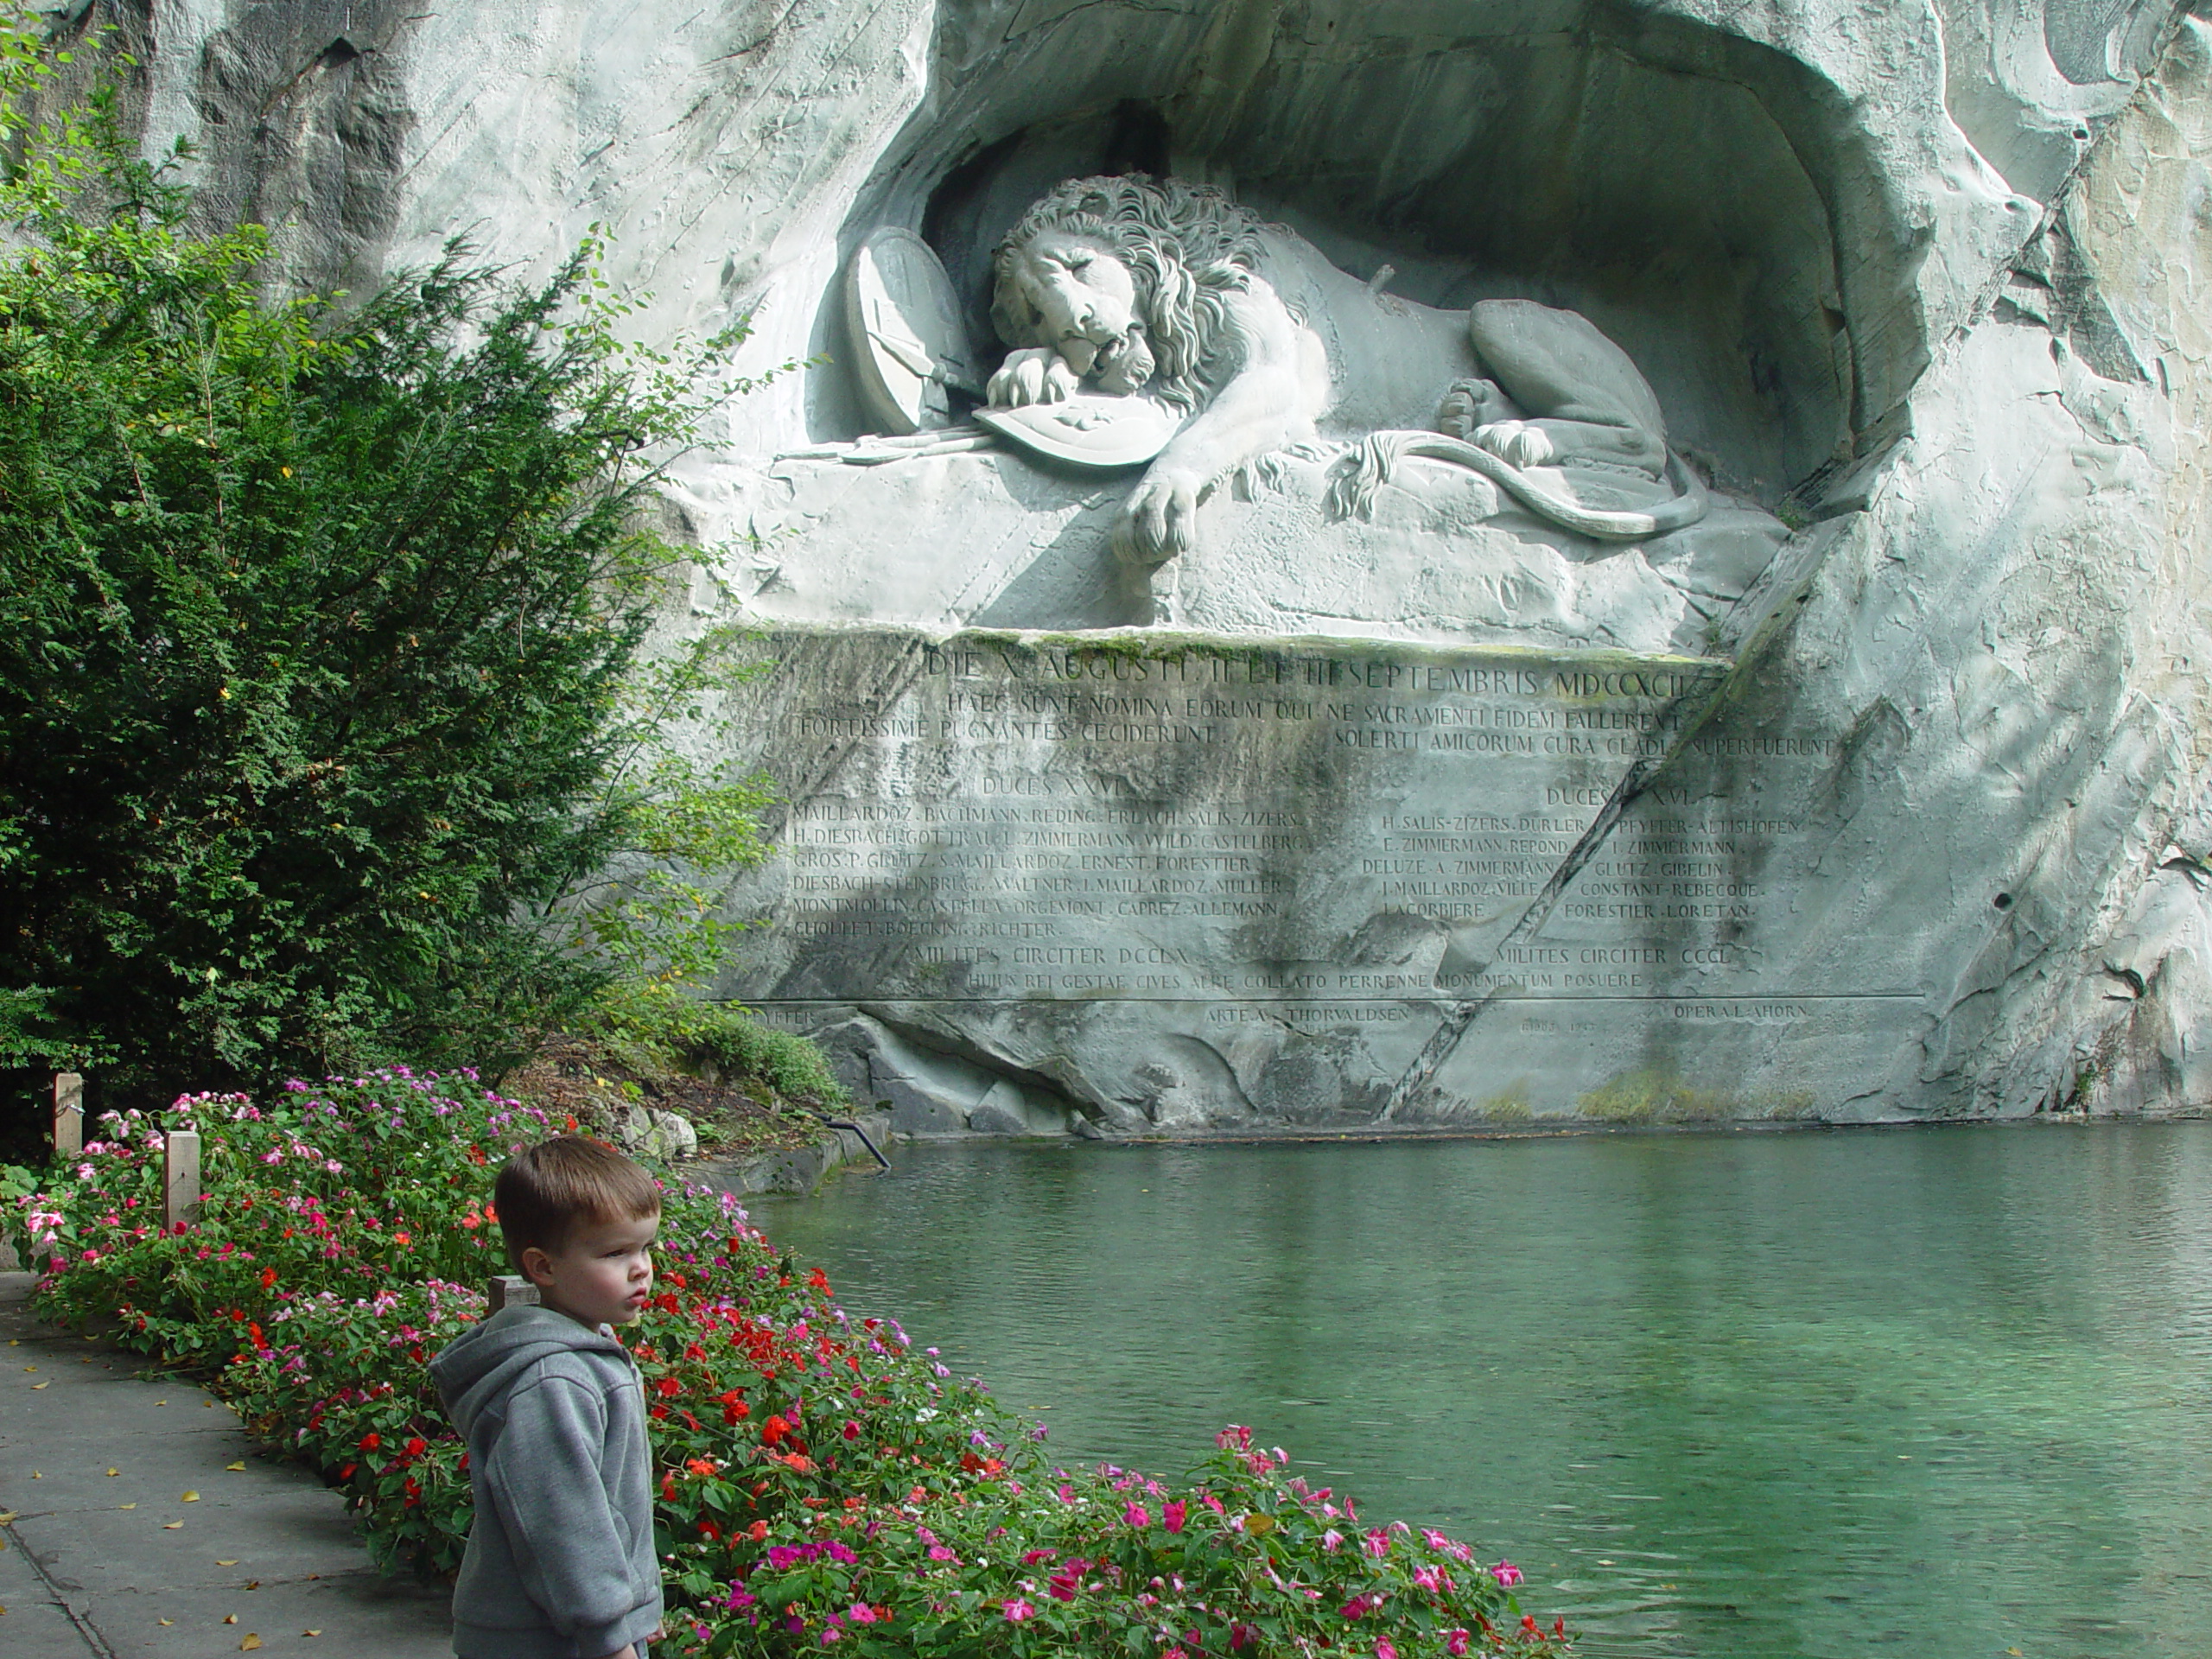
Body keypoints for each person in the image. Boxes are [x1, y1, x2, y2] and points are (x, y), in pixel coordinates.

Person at [431, 1136, 665, 1659]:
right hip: (551, 1640)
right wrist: (612, 1636)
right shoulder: (555, 1379)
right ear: (543, 1268)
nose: (641, 1268)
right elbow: (564, 1525)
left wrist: (640, 1606)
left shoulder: (588, 1346)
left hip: (577, 1629)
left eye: (645, 1247)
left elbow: (614, 1502)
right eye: (616, 1252)